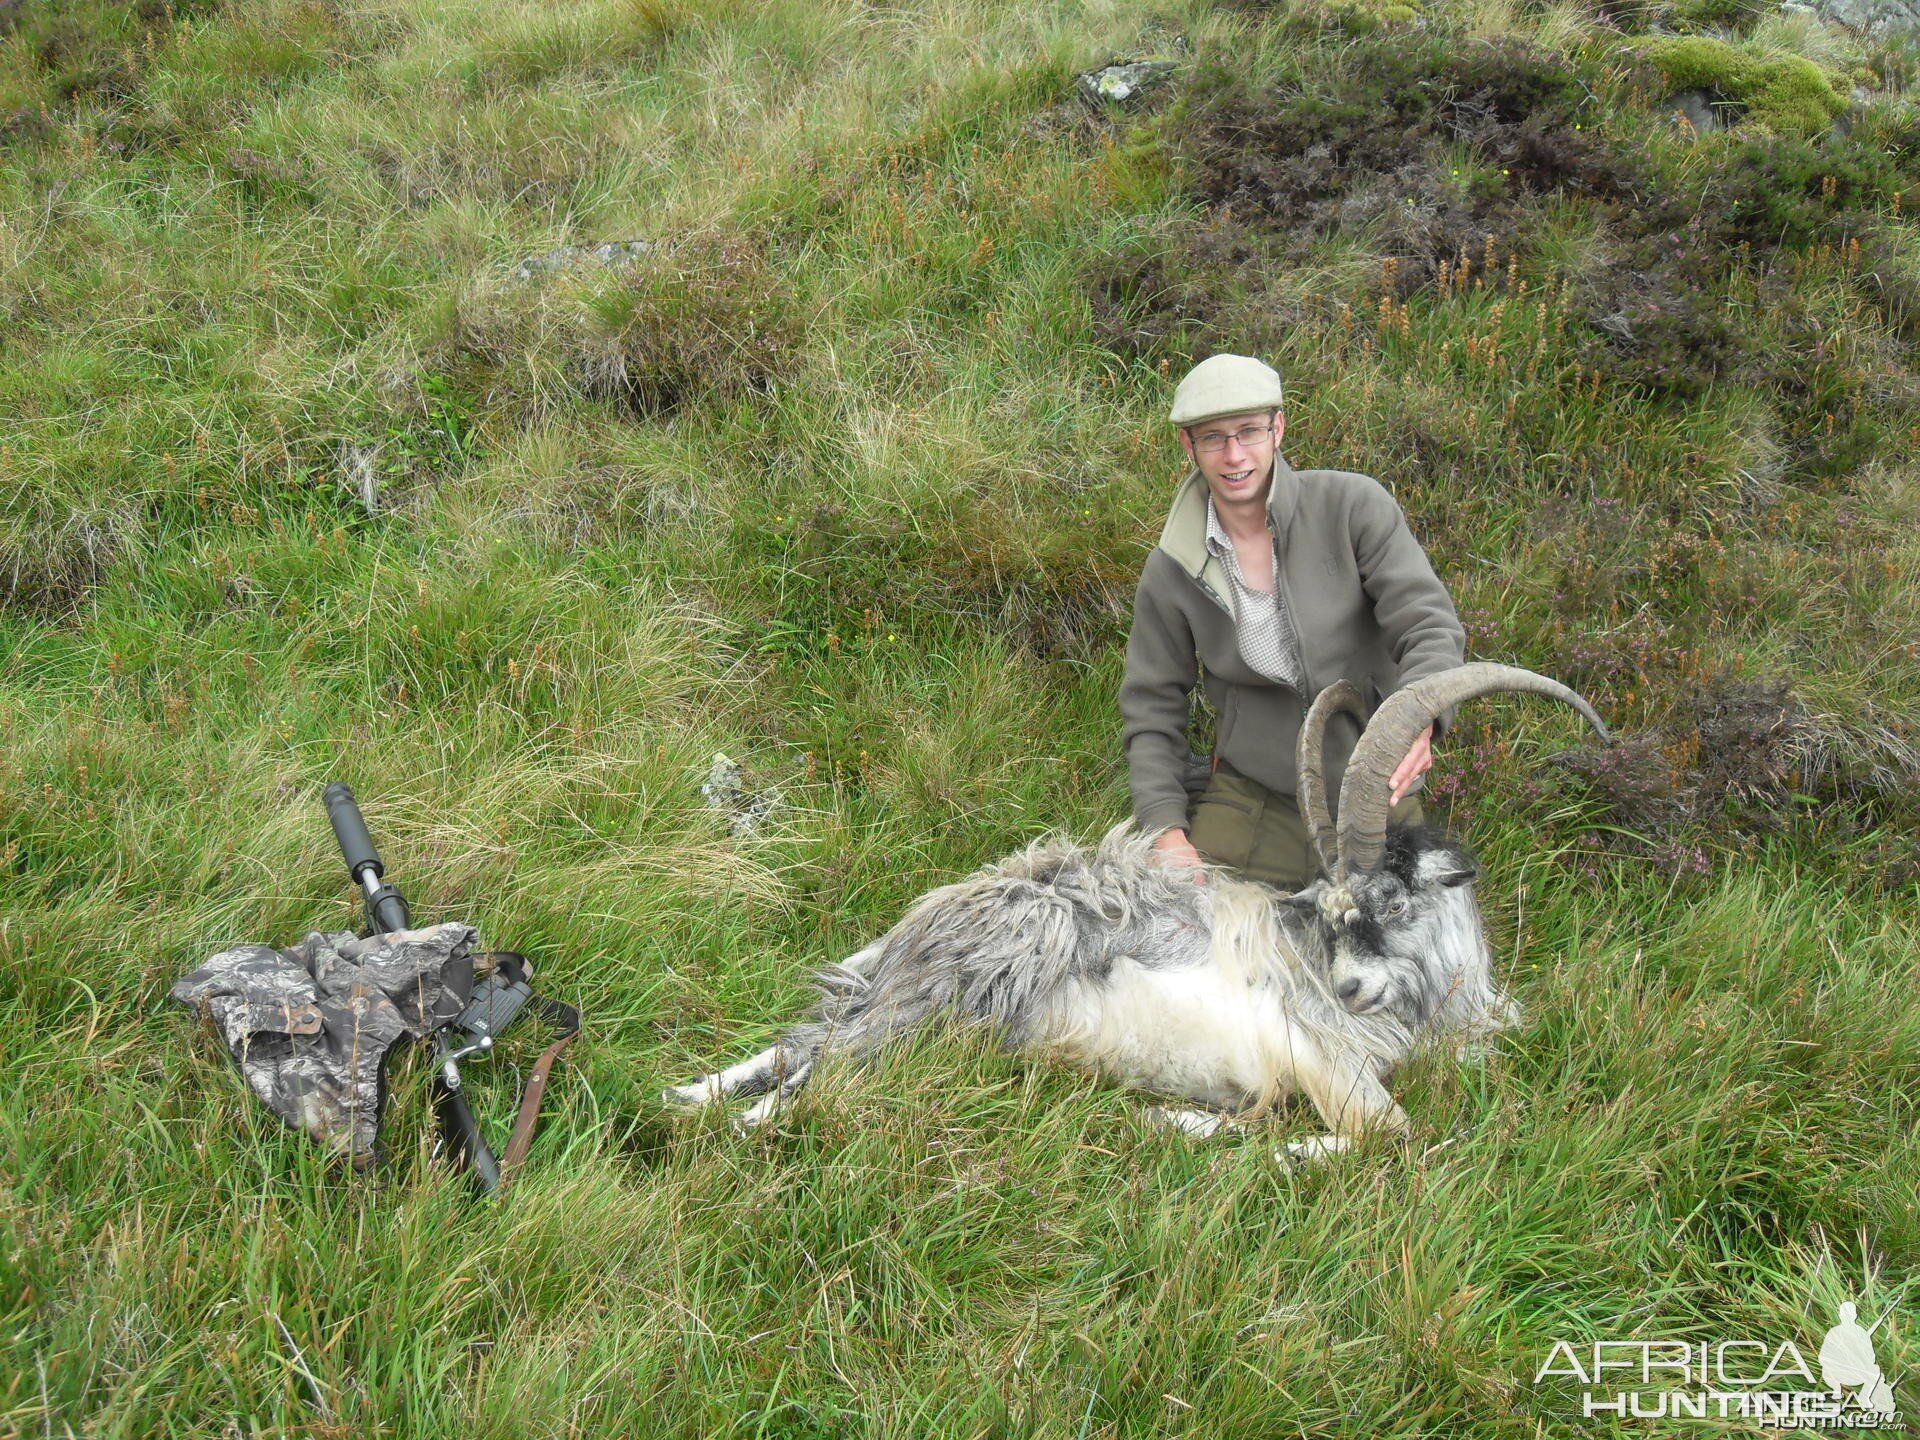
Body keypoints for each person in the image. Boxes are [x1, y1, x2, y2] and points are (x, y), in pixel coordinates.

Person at [1119, 353, 1467, 889]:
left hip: (1375, 795)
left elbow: (1428, 624)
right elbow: (1151, 706)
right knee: (1201, 948)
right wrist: (1166, 830)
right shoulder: (1173, 568)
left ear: (1278, 428)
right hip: (1253, 803)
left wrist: (1421, 717)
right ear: (1188, 446)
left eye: (1249, 431)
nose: (1234, 455)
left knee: (1397, 961)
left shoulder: (1352, 507)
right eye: (1212, 437)